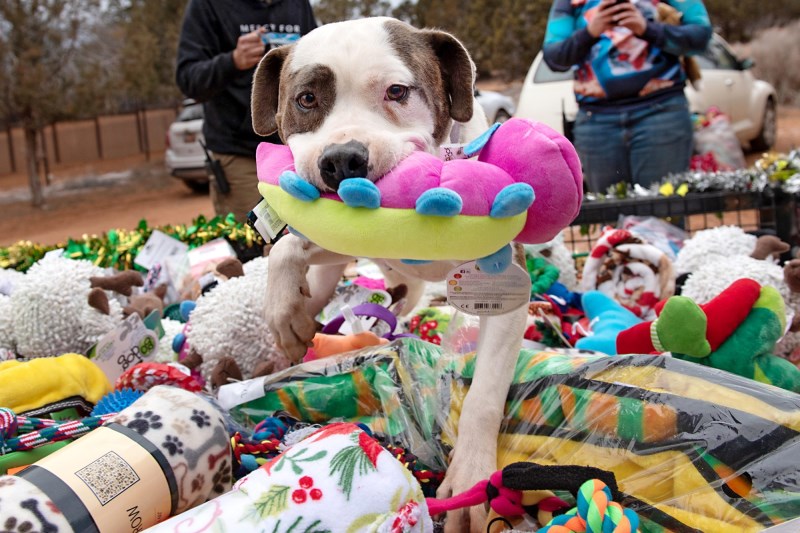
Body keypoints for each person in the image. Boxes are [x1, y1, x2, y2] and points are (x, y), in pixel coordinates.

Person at [543, 0, 712, 192]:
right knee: (610, 211)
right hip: (597, 123)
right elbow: (553, 57)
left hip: (661, 113)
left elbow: (702, 36)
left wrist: (646, 28)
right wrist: (590, 32)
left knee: (664, 211)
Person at [176, 0, 317, 221]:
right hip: (239, 154)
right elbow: (188, 79)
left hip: (296, 148)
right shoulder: (208, 5)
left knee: (306, 238)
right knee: (253, 242)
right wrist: (233, 60)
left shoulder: (297, 4)